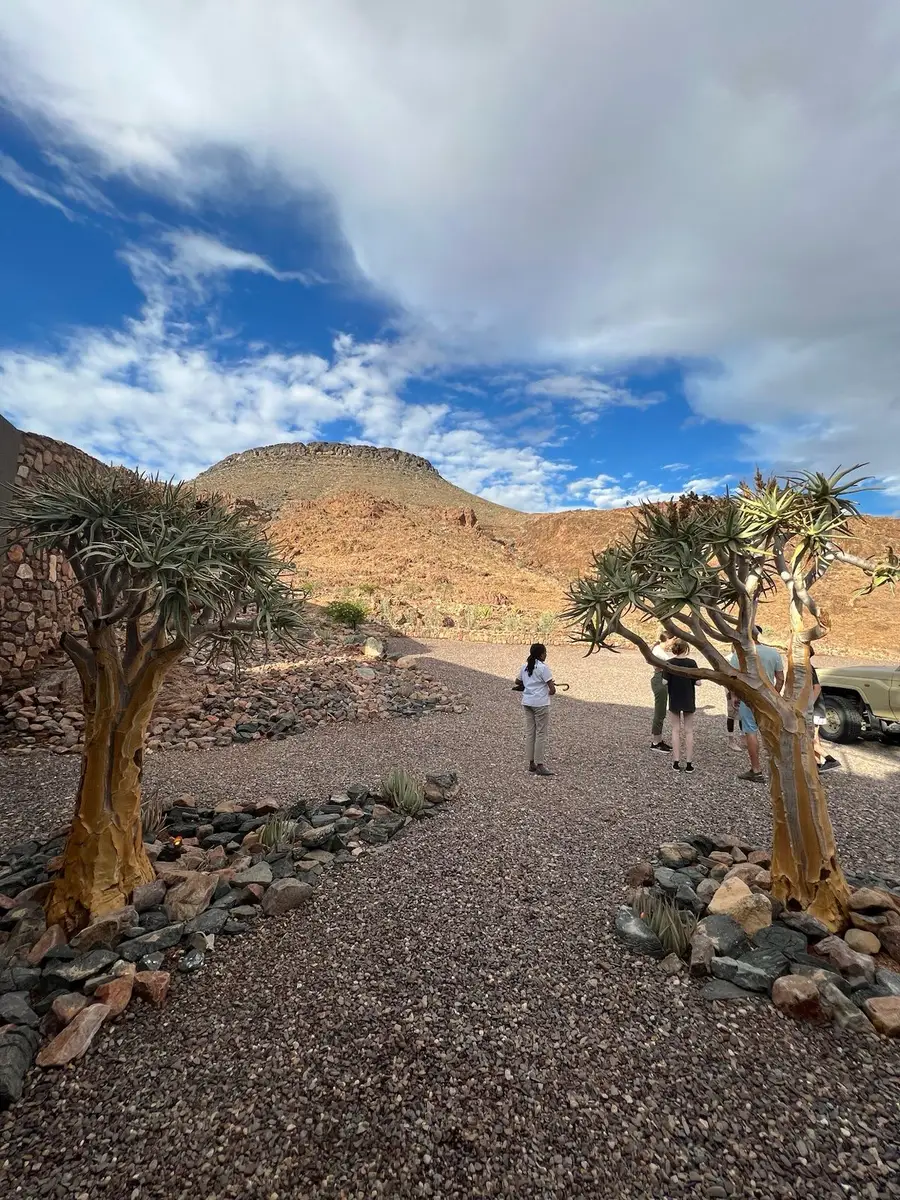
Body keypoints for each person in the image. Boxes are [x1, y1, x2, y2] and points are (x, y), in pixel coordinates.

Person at [730, 628, 784, 783]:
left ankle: (756, 769)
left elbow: (733, 679)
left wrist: (734, 696)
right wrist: (775, 694)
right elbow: (780, 678)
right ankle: (779, 767)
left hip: (748, 699)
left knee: (750, 731)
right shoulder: (773, 653)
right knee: (771, 732)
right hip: (768, 698)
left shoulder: (738, 655)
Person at [517, 642, 556, 777]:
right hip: (540, 703)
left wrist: (528, 684)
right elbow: (552, 689)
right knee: (541, 733)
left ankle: (531, 763)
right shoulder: (543, 668)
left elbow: (517, 681)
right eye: (545, 653)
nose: (546, 655)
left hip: (527, 702)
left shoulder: (525, 666)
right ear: (541, 654)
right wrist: (546, 688)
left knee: (530, 733)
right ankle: (540, 764)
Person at [664, 639, 700, 772]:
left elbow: (663, 681)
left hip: (675, 697)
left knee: (675, 730)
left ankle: (676, 761)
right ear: (686, 649)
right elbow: (698, 682)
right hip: (688, 698)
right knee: (689, 730)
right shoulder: (691, 663)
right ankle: (689, 763)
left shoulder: (669, 663)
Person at [809, 645, 840, 772]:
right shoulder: (808, 667)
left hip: (814, 710)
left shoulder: (807, 669)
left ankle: (831, 760)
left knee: (810, 739)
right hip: (816, 709)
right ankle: (817, 765)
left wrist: (808, 704)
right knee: (814, 738)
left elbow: (817, 687)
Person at [650, 631, 673, 752]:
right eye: (672, 641)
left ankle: (658, 739)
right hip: (660, 679)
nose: (672, 644)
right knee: (659, 712)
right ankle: (655, 742)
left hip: (661, 679)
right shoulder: (658, 651)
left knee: (661, 711)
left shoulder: (659, 650)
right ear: (668, 640)